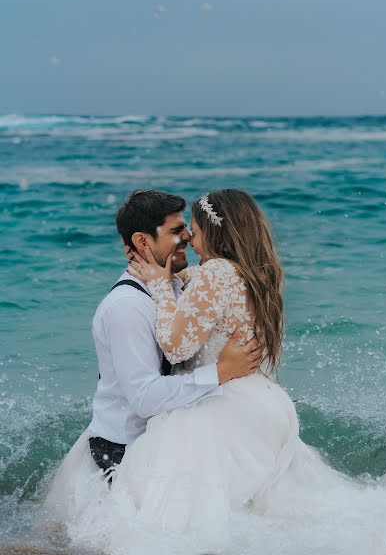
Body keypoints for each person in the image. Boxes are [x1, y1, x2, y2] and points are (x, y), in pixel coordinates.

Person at [44, 190, 262, 521]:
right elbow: (145, 399)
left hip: (173, 435)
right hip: (126, 452)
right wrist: (220, 372)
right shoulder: (127, 307)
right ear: (143, 242)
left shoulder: (177, 285)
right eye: (176, 231)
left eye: (187, 229)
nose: (188, 237)